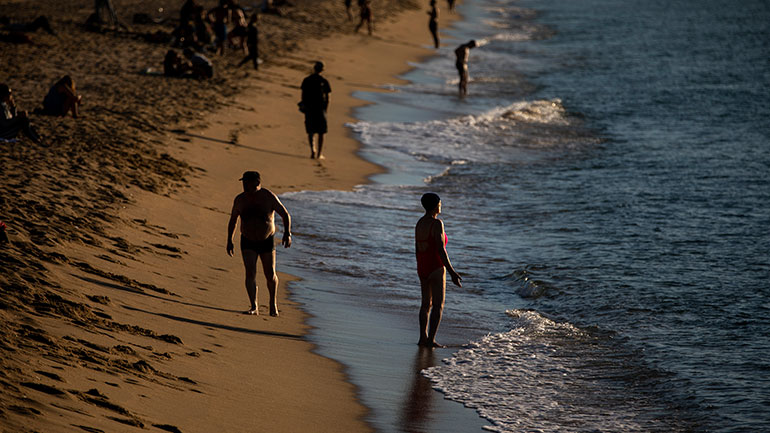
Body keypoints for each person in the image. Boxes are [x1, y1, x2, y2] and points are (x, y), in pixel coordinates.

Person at [227, 171, 292, 316]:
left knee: (270, 274)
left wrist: (287, 233)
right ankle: (254, 306)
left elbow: (285, 215)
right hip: (247, 240)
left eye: (247, 182)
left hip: (266, 240)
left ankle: (272, 304)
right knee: (250, 273)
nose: (244, 185)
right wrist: (229, 240)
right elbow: (233, 220)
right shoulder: (240, 199)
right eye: (243, 182)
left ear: (257, 182)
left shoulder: (268, 197)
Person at [415, 193, 462, 348]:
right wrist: (452, 272)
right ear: (436, 205)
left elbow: (417, 248)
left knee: (425, 304)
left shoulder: (420, 223)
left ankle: (422, 337)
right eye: (440, 203)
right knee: (438, 305)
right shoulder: (437, 224)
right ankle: (431, 340)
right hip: (435, 266)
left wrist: (420, 268)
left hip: (422, 266)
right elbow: (441, 250)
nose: (441, 205)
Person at [300, 61, 331, 159]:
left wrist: (304, 105)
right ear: (322, 70)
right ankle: (319, 153)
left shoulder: (307, 80)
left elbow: (303, 94)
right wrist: (326, 109)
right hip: (320, 108)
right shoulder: (324, 81)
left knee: (311, 130)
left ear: (314, 68)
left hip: (309, 107)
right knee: (321, 132)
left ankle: (313, 150)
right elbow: (328, 97)